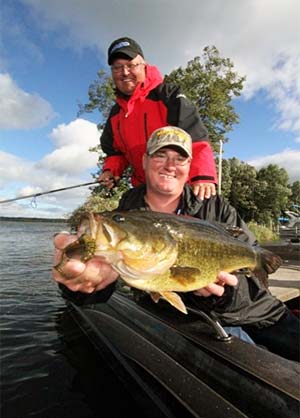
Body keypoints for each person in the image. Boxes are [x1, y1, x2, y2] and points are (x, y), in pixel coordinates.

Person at [53, 126, 300, 362]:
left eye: (180, 158)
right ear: (144, 161)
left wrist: (226, 294)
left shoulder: (217, 208)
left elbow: (257, 282)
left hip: (260, 312)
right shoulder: (124, 219)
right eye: (160, 155)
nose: (170, 165)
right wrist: (81, 285)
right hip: (204, 326)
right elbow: (99, 283)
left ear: (189, 167)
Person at [98, 36, 217, 201]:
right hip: (145, 192)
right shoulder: (115, 114)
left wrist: (203, 176)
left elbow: (196, 138)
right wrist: (111, 171)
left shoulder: (168, 95)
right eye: (117, 67)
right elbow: (115, 153)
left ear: (144, 66)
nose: (125, 72)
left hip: (183, 190)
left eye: (131, 65)